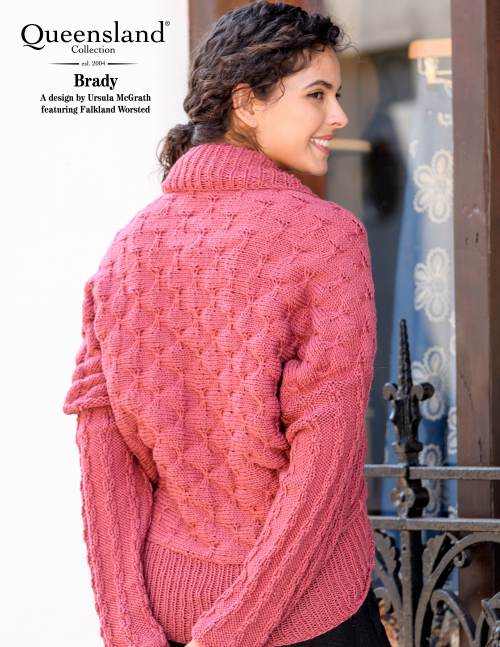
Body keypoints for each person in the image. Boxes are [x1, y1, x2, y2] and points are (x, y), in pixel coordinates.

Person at [62, 2, 391, 646]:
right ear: (246, 103)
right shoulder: (324, 237)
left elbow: (104, 451)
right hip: (306, 617)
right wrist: (234, 631)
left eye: (337, 95)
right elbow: (325, 456)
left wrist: (129, 629)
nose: (339, 115)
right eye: (316, 94)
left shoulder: (129, 247)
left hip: (171, 615)